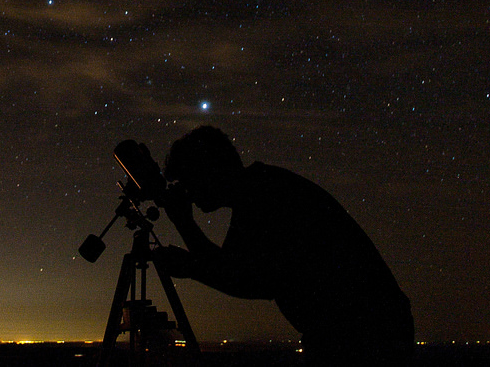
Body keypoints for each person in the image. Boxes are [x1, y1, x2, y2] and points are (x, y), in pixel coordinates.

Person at [154, 126, 413, 367]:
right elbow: (230, 268)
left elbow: (248, 280)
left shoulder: (263, 196)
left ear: (208, 170)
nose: (187, 192)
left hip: (361, 335)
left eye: (188, 181)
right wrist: (185, 227)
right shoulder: (261, 187)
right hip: (363, 329)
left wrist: (189, 255)